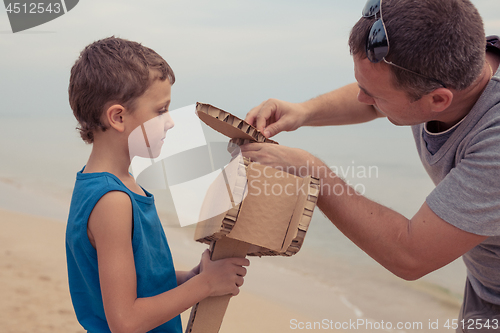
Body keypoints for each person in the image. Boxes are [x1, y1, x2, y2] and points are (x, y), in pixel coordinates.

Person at [242, 0, 500, 331]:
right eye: (363, 86)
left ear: (438, 100)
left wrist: (313, 173)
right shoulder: (454, 62)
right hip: (485, 283)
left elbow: (410, 254)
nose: (364, 98)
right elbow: (380, 99)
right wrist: (303, 111)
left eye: (373, 93)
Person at [65, 37, 249, 333]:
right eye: (161, 110)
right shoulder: (112, 200)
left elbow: (139, 281)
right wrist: (206, 285)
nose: (170, 122)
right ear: (118, 117)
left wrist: (190, 278)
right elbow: (126, 321)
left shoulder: (115, 185)